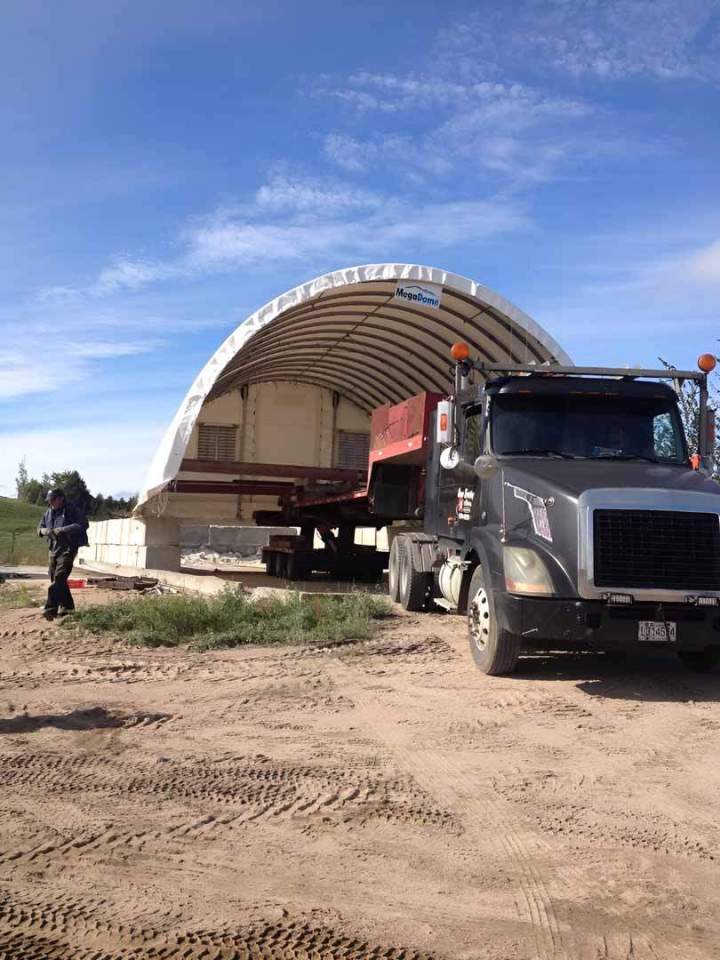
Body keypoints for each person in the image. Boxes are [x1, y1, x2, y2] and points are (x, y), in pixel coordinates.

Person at [37, 488, 89, 620]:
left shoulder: (72, 510)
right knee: (55, 578)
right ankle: (68, 608)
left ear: (61, 498)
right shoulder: (48, 513)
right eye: (49, 501)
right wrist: (44, 531)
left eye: (53, 500)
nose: (51, 503)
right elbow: (39, 528)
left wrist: (63, 530)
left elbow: (83, 525)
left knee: (59, 577)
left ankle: (50, 609)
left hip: (68, 548)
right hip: (53, 550)